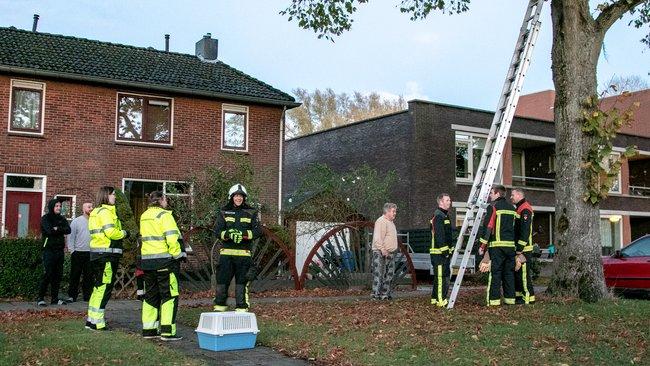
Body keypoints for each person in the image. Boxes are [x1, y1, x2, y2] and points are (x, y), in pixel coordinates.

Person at [139, 191, 186, 341]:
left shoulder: (144, 215)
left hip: (148, 262)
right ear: (161, 200)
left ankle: (149, 329)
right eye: (165, 199)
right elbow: (172, 238)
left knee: (150, 296)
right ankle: (167, 331)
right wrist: (178, 255)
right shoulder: (165, 215)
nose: (167, 202)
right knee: (169, 296)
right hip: (165, 261)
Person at [213, 184, 262, 312]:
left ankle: (241, 310)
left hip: (244, 256)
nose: (238, 198)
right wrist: (228, 234)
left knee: (241, 284)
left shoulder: (251, 212)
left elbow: (257, 232)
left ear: (244, 198)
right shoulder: (223, 211)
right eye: (236, 196)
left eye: (241, 196)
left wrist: (243, 235)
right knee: (222, 283)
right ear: (231, 197)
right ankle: (219, 309)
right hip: (226, 256)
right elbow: (217, 231)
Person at [86, 186, 129, 330]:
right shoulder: (106, 212)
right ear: (106, 196)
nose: (115, 197)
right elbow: (111, 232)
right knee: (104, 288)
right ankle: (98, 322)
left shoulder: (96, 212)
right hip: (107, 256)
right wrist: (124, 233)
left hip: (97, 255)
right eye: (113, 195)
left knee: (98, 288)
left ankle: (91, 320)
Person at [478, 185, 518, 306]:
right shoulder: (512, 208)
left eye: (491, 193)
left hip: (497, 247)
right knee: (509, 274)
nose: (490, 195)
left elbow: (488, 227)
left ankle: (493, 301)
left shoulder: (493, 207)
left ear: (497, 194)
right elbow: (515, 228)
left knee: (495, 273)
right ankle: (510, 300)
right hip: (510, 247)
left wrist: (482, 246)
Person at [37, 197, 72, 306]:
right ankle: (40, 298)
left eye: (60, 206)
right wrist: (57, 229)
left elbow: (68, 230)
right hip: (48, 251)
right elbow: (49, 231)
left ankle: (55, 299)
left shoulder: (62, 218)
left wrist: (58, 228)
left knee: (58, 275)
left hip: (59, 251)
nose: (59, 208)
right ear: (52, 207)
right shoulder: (45, 218)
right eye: (57, 206)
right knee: (48, 274)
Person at [511, 188, 535, 305]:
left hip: (525, 249)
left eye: (513, 195)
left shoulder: (525, 209)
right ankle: (520, 297)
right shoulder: (520, 208)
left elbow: (525, 232)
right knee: (519, 273)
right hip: (521, 248)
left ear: (519, 195)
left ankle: (528, 298)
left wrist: (519, 248)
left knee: (524, 275)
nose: (511, 197)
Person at [66, 202, 94, 303]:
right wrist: (72, 250)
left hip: (90, 253)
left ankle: (87, 296)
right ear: (83, 209)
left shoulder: (94, 221)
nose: (91, 208)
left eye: (92, 207)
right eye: (89, 207)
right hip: (78, 252)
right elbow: (71, 236)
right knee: (75, 275)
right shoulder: (76, 221)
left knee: (88, 276)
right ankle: (72, 296)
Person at [371, 202, 398, 300]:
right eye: (393, 211)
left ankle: (385, 294)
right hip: (381, 252)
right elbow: (377, 238)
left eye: (395, 211)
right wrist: (382, 249)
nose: (395, 213)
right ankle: (375, 295)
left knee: (389, 275)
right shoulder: (381, 221)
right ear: (387, 211)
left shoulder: (391, 223)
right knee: (379, 275)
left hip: (389, 253)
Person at [430, 194, 452, 307]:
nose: (450, 202)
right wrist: (445, 251)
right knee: (441, 277)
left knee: (440, 276)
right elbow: (439, 235)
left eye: (449, 200)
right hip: (439, 254)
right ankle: (440, 301)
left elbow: (447, 235)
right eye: (447, 200)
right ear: (441, 202)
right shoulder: (438, 216)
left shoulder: (444, 215)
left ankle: (434, 299)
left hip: (442, 253)